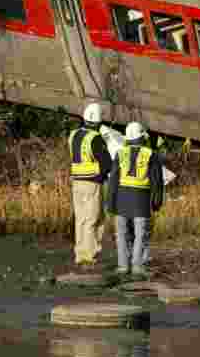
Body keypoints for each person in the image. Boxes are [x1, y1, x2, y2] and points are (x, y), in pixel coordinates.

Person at [106, 121, 164, 277]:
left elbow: (113, 182)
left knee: (121, 234)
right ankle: (137, 266)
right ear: (142, 137)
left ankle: (123, 267)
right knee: (141, 235)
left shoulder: (120, 153)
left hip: (121, 200)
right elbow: (157, 183)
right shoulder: (151, 155)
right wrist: (157, 203)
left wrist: (110, 203)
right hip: (141, 200)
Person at [69, 102, 113, 266]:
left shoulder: (73, 135)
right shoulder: (95, 138)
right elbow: (106, 163)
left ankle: (80, 254)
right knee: (93, 218)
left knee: (81, 219)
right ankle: (89, 256)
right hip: (92, 183)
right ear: (99, 121)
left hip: (77, 182)